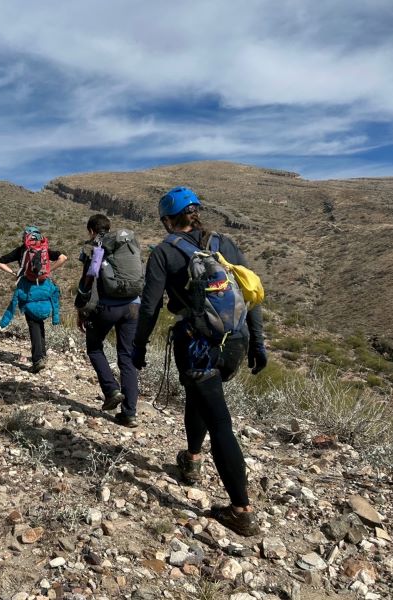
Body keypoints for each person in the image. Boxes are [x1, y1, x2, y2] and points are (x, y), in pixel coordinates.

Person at [132, 186, 267, 537]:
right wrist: (258, 342)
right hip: (235, 341)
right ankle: (191, 459)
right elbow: (251, 292)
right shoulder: (223, 244)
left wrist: (139, 345)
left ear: (167, 219)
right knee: (198, 397)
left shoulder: (164, 252)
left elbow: (149, 306)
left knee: (219, 420)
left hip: (197, 345)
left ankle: (241, 510)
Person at [75, 214, 142, 427]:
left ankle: (111, 389)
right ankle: (129, 413)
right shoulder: (126, 245)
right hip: (134, 306)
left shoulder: (97, 247)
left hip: (108, 307)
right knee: (127, 357)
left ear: (91, 231)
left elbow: (87, 281)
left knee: (94, 348)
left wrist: (81, 310)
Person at [0, 226, 67, 372]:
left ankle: (38, 359)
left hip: (28, 290)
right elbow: (63, 257)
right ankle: (43, 355)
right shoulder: (44, 250)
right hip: (44, 289)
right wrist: (49, 270)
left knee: (33, 323)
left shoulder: (21, 250)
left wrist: (14, 273)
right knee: (39, 322)